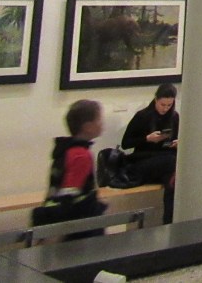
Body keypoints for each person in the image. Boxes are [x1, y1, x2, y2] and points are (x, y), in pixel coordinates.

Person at [32, 100, 108, 238]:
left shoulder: (66, 150)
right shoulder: (80, 155)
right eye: (99, 119)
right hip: (79, 223)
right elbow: (70, 193)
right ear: (88, 127)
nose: (102, 123)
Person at [121, 82, 179, 223]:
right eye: (162, 104)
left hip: (164, 161)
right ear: (156, 100)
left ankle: (168, 222)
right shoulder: (142, 116)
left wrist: (176, 143)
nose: (165, 108)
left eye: (169, 105)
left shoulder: (174, 117)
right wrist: (147, 138)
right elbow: (126, 143)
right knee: (172, 163)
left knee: (172, 183)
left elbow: (173, 139)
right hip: (142, 160)